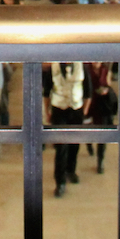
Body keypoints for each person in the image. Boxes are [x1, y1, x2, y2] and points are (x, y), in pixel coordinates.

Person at [46, 61, 89, 197]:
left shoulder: (82, 67)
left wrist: (84, 111)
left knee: (74, 143)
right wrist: (47, 111)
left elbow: (88, 91)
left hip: (76, 110)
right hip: (59, 110)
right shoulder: (53, 67)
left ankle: (71, 170)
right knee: (61, 146)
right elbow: (47, 91)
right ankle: (60, 182)